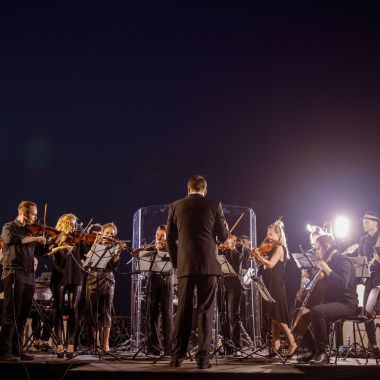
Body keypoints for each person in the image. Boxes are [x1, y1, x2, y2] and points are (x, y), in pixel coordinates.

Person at [166, 175, 229, 369]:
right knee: (205, 311)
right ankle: (203, 359)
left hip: (186, 265)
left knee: (182, 311)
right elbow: (224, 235)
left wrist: (178, 263)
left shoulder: (175, 206)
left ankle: (177, 357)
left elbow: (170, 239)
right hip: (208, 266)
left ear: (188, 189)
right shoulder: (214, 204)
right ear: (205, 190)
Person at [0, 200, 46, 361]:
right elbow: (11, 240)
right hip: (13, 273)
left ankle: (17, 349)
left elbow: (42, 251)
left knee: (22, 315)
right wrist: (34, 237)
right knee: (11, 313)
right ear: (24, 213)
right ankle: (4, 352)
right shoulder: (9, 227)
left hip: (29, 277)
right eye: (33, 214)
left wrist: (50, 240)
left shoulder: (31, 232)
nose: (35, 218)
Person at [308, 234, 358, 364]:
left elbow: (342, 283)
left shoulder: (343, 260)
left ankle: (322, 353)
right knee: (305, 311)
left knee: (317, 312)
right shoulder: (329, 262)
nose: (317, 252)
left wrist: (326, 269)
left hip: (347, 303)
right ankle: (311, 350)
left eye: (318, 248)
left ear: (327, 246)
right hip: (334, 302)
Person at [251, 220, 297, 358]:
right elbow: (263, 265)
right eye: (267, 233)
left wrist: (259, 256)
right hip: (271, 284)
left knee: (279, 315)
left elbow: (270, 265)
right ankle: (275, 346)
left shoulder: (279, 248)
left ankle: (293, 343)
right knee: (273, 317)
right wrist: (256, 257)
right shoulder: (271, 248)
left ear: (278, 234)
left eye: (271, 234)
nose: (268, 236)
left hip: (277, 285)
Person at [48, 213, 86, 358]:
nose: (74, 226)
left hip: (77, 276)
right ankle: (58, 343)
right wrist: (62, 247)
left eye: (75, 224)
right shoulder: (56, 237)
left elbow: (84, 255)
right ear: (63, 223)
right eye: (70, 223)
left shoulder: (78, 238)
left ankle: (70, 343)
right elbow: (48, 252)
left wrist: (85, 260)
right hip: (60, 275)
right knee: (58, 308)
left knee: (73, 309)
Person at [85, 223, 122, 353]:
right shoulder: (95, 246)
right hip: (93, 279)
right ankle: (96, 342)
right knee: (92, 312)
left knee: (106, 312)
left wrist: (117, 253)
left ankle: (105, 344)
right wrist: (96, 243)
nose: (109, 235)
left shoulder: (114, 248)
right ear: (102, 233)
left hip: (108, 280)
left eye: (112, 234)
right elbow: (87, 262)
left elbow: (114, 267)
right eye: (107, 233)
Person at [140, 225, 174, 356]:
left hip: (167, 282)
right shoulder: (151, 249)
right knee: (152, 315)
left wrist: (166, 251)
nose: (159, 238)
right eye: (158, 235)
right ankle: (154, 347)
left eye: (162, 236)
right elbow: (141, 259)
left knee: (167, 315)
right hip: (153, 282)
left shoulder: (171, 250)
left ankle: (169, 349)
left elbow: (176, 263)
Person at [357, 211, 380, 353]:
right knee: (366, 312)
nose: (364, 224)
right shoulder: (363, 240)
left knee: (374, 309)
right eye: (363, 221)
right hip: (368, 279)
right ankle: (374, 347)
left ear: (375, 222)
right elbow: (360, 259)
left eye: (367, 221)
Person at [219, 236, 243, 356]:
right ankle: (227, 347)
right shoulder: (221, 251)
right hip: (221, 284)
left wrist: (232, 248)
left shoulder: (238, 250)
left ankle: (236, 347)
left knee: (233, 315)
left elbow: (236, 263)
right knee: (223, 316)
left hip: (234, 284)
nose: (226, 242)